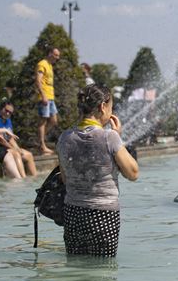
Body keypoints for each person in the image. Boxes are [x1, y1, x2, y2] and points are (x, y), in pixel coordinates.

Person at [57, 84, 139, 257]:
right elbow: (132, 173)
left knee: (76, 267)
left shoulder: (64, 137)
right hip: (103, 214)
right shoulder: (109, 137)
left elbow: (65, 179)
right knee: (103, 271)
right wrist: (118, 136)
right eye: (111, 107)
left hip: (73, 213)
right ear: (102, 106)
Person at [0, 101, 37, 176]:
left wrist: (17, 148)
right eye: (6, 110)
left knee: (28, 155)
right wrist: (14, 149)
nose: (7, 113)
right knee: (16, 154)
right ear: (1, 108)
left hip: (7, 148)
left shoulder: (8, 120)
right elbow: (1, 140)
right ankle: (23, 178)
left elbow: (10, 138)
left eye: (10, 112)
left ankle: (34, 179)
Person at [35, 47, 61, 154]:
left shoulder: (50, 66)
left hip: (51, 97)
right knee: (43, 121)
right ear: (50, 53)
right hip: (44, 97)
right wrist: (43, 95)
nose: (57, 58)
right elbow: (38, 80)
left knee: (54, 120)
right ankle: (42, 146)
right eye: (56, 55)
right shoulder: (42, 64)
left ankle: (40, 140)